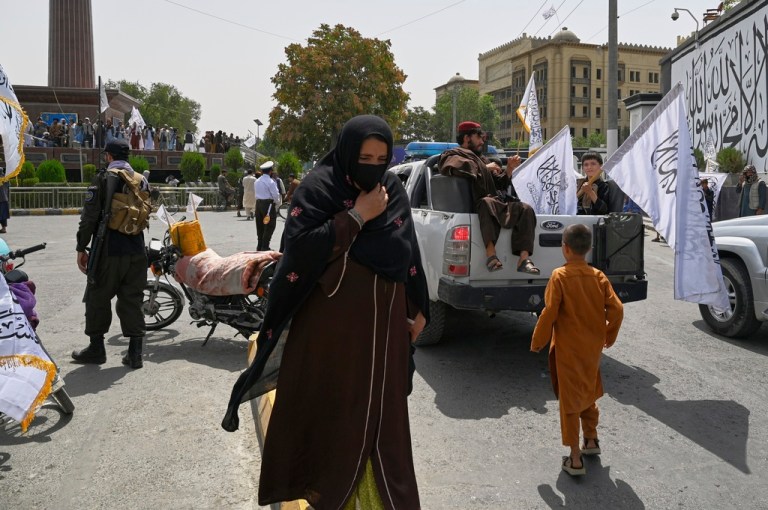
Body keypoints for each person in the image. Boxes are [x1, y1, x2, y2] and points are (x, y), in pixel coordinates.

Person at [222, 114, 429, 509]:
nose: (373, 166)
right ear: (347, 152)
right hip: (332, 334)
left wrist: (419, 307)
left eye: (380, 157)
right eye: (364, 156)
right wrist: (356, 217)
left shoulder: (392, 189)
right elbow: (299, 254)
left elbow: (409, 252)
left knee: (383, 426)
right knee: (338, 422)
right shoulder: (319, 189)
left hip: (385, 334)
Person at [530, 223, 624, 476]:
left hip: (568, 349)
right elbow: (617, 309)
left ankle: (574, 458)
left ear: (565, 248)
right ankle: (591, 439)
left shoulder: (559, 276)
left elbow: (549, 312)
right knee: (589, 390)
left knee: (570, 401)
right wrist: (609, 335)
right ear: (589, 248)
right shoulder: (599, 276)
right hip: (592, 348)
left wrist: (538, 340)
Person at [72, 139, 149, 369]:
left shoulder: (104, 178)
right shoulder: (141, 180)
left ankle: (97, 349)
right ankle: (135, 353)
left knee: (97, 297)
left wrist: (80, 247)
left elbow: (89, 218)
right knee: (132, 299)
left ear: (108, 156)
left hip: (108, 250)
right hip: (137, 249)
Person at [438, 121, 539, 274]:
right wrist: (485, 168)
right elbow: (459, 168)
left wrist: (509, 168)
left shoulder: (482, 159)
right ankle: (491, 255)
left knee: (525, 209)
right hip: (479, 205)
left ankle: (523, 259)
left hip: (496, 202)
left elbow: (500, 183)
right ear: (466, 138)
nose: (482, 141)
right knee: (486, 202)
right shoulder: (452, 155)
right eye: (479, 136)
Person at [254, 161, 281, 250]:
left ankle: (259, 245)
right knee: (269, 225)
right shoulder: (271, 182)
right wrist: (277, 203)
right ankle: (265, 247)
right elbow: (276, 195)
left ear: (262, 171)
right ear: (270, 171)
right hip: (268, 204)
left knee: (260, 225)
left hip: (258, 204)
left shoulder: (257, 181)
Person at [0, 167, 9, 234]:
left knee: (2, 215)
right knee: (3, 215)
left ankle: (3, 228)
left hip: (1, 199)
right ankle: (4, 228)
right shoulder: (6, 178)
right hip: (5, 198)